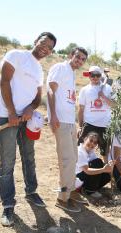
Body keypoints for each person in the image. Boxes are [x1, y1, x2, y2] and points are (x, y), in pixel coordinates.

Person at [0, 32, 57, 226]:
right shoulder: (16, 55)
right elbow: (4, 82)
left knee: (29, 155)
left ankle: (31, 191)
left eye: (50, 48)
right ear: (36, 41)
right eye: (43, 43)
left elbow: (37, 97)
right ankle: (8, 206)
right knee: (8, 161)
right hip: (7, 115)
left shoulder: (39, 70)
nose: (45, 49)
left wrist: (30, 108)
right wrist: (12, 112)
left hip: (26, 118)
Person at [47, 47, 88, 212]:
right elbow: (51, 90)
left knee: (73, 158)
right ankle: (63, 199)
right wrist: (53, 116)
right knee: (67, 160)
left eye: (83, 59)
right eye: (77, 57)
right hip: (61, 121)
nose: (79, 61)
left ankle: (70, 191)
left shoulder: (71, 73)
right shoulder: (60, 68)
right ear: (71, 55)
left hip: (69, 122)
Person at [78, 66, 115, 163]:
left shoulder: (108, 88)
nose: (94, 77)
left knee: (105, 152)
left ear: (100, 75)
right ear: (89, 76)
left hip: (105, 124)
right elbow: (81, 109)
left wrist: (103, 96)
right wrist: (80, 126)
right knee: (82, 148)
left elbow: (115, 105)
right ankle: (79, 171)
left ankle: (107, 175)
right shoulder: (84, 90)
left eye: (97, 75)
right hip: (89, 123)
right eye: (92, 75)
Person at [76, 132, 114, 198]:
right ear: (85, 139)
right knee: (97, 163)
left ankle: (87, 188)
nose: (92, 143)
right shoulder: (79, 152)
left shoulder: (91, 152)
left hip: (83, 176)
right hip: (77, 178)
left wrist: (110, 165)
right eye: (91, 140)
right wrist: (103, 169)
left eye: (95, 143)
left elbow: (100, 166)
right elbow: (87, 170)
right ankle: (90, 191)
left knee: (106, 176)